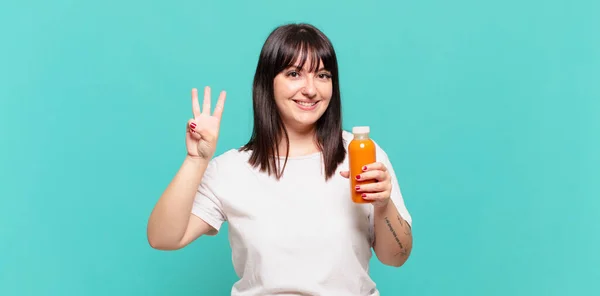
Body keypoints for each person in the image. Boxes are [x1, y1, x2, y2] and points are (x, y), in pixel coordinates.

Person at [146, 23, 413, 296]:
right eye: (294, 73)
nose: (310, 89)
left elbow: (396, 257)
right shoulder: (232, 170)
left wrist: (383, 205)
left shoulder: (361, 154)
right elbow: (163, 238)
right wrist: (196, 160)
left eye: (322, 75)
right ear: (268, 81)